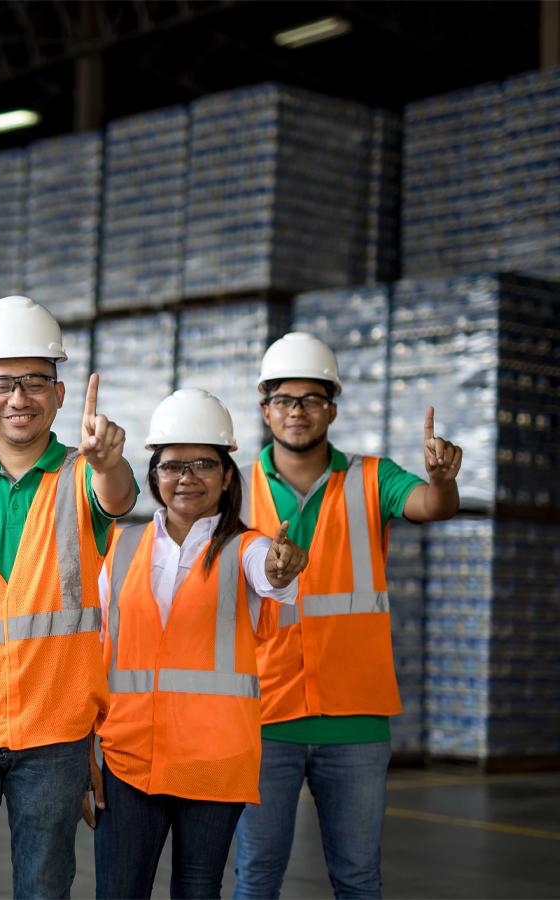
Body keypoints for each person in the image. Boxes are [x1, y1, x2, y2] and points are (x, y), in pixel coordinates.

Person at [0, 294, 138, 899]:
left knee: (43, 889)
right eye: (2, 384)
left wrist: (110, 463)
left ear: (60, 394)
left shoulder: (84, 475)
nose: (19, 398)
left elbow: (118, 497)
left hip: (56, 739)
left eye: (35, 382)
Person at [233, 332, 463, 900]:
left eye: (312, 399)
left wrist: (442, 481)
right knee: (256, 878)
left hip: (355, 720)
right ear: (265, 410)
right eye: (285, 400)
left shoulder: (373, 478)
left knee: (358, 880)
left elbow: (431, 507)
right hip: (263, 715)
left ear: (332, 408)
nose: (298, 411)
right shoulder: (232, 489)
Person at [82, 388, 308, 900]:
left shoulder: (249, 548)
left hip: (213, 760)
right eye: (172, 466)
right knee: (118, 891)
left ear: (227, 476)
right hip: (128, 757)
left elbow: (273, 575)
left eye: (204, 464)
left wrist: (282, 565)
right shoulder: (121, 548)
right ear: (154, 475)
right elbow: (95, 649)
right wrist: (84, 747)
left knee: (198, 890)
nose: (187, 478)